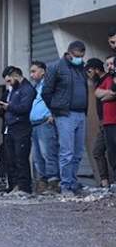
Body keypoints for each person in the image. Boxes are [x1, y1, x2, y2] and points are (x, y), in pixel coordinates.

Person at [41, 41, 88, 196]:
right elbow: (46, 92)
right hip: (65, 115)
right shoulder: (56, 67)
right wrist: (55, 110)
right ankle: (66, 185)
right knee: (67, 152)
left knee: (78, 152)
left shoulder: (81, 68)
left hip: (81, 114)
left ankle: (73, 182)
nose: (79, 59)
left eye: (82, 56)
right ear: (69, 53)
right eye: (77, 56)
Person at [0, 66, 36, 193]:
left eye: (9, 81)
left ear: (16, 76)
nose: (8, 84)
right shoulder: (13, 90)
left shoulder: (27, 89)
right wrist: (2, 108)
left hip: (21, 128)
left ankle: (24, 187)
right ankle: (13, 186)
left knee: (21, 158)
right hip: (10, 128)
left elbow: (24, 108)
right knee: (10, 158)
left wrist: (9, 106)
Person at [29, 61, 60, 193]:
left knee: (48, 153)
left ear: (43, 71)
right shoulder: (36, 87)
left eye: (34, 71)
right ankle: (42, 183)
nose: (31, 75)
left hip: (45, 123)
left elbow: (58, 99)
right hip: (34, 125)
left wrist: (53, 114)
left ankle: (53, 182)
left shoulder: (50, 84)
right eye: (31, 72)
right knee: (37, 156)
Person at [85, 58, 111, 187]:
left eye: (90, 71)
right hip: (103, 123)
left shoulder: (108, 79)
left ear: (96, 69)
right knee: (97, 151)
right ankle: (105, 183)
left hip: (110, 122)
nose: (88, 74)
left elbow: (110, 95)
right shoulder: (98, 82)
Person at [96, 55, 116, 182]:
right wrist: (108, 94)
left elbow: (112, 93)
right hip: (107, 122)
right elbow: (97, 93)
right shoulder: (106, 79)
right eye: (107, 64)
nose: (109, 67)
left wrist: (106, 94)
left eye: (112, 64)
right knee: (112, 153)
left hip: (114, 121)